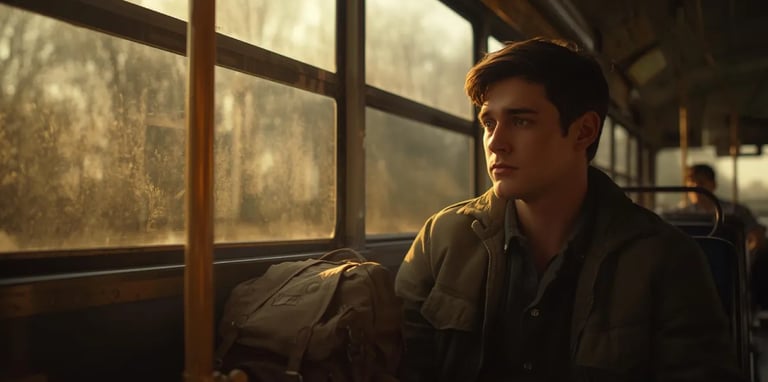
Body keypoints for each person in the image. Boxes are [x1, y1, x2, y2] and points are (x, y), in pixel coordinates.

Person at [394, 38, 742, 382]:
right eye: (489, 123)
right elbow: (400, 366)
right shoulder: (442, 239)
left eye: (521, 121)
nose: (495, 142)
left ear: (583, 131)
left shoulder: (665, 259)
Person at [672, 163, 762, 252]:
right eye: (691, 183)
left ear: (713, 185)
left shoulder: (736, 212)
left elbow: (756, 236)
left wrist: (743, 255)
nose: (696, 187)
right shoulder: (678, 214)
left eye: (701, 183)